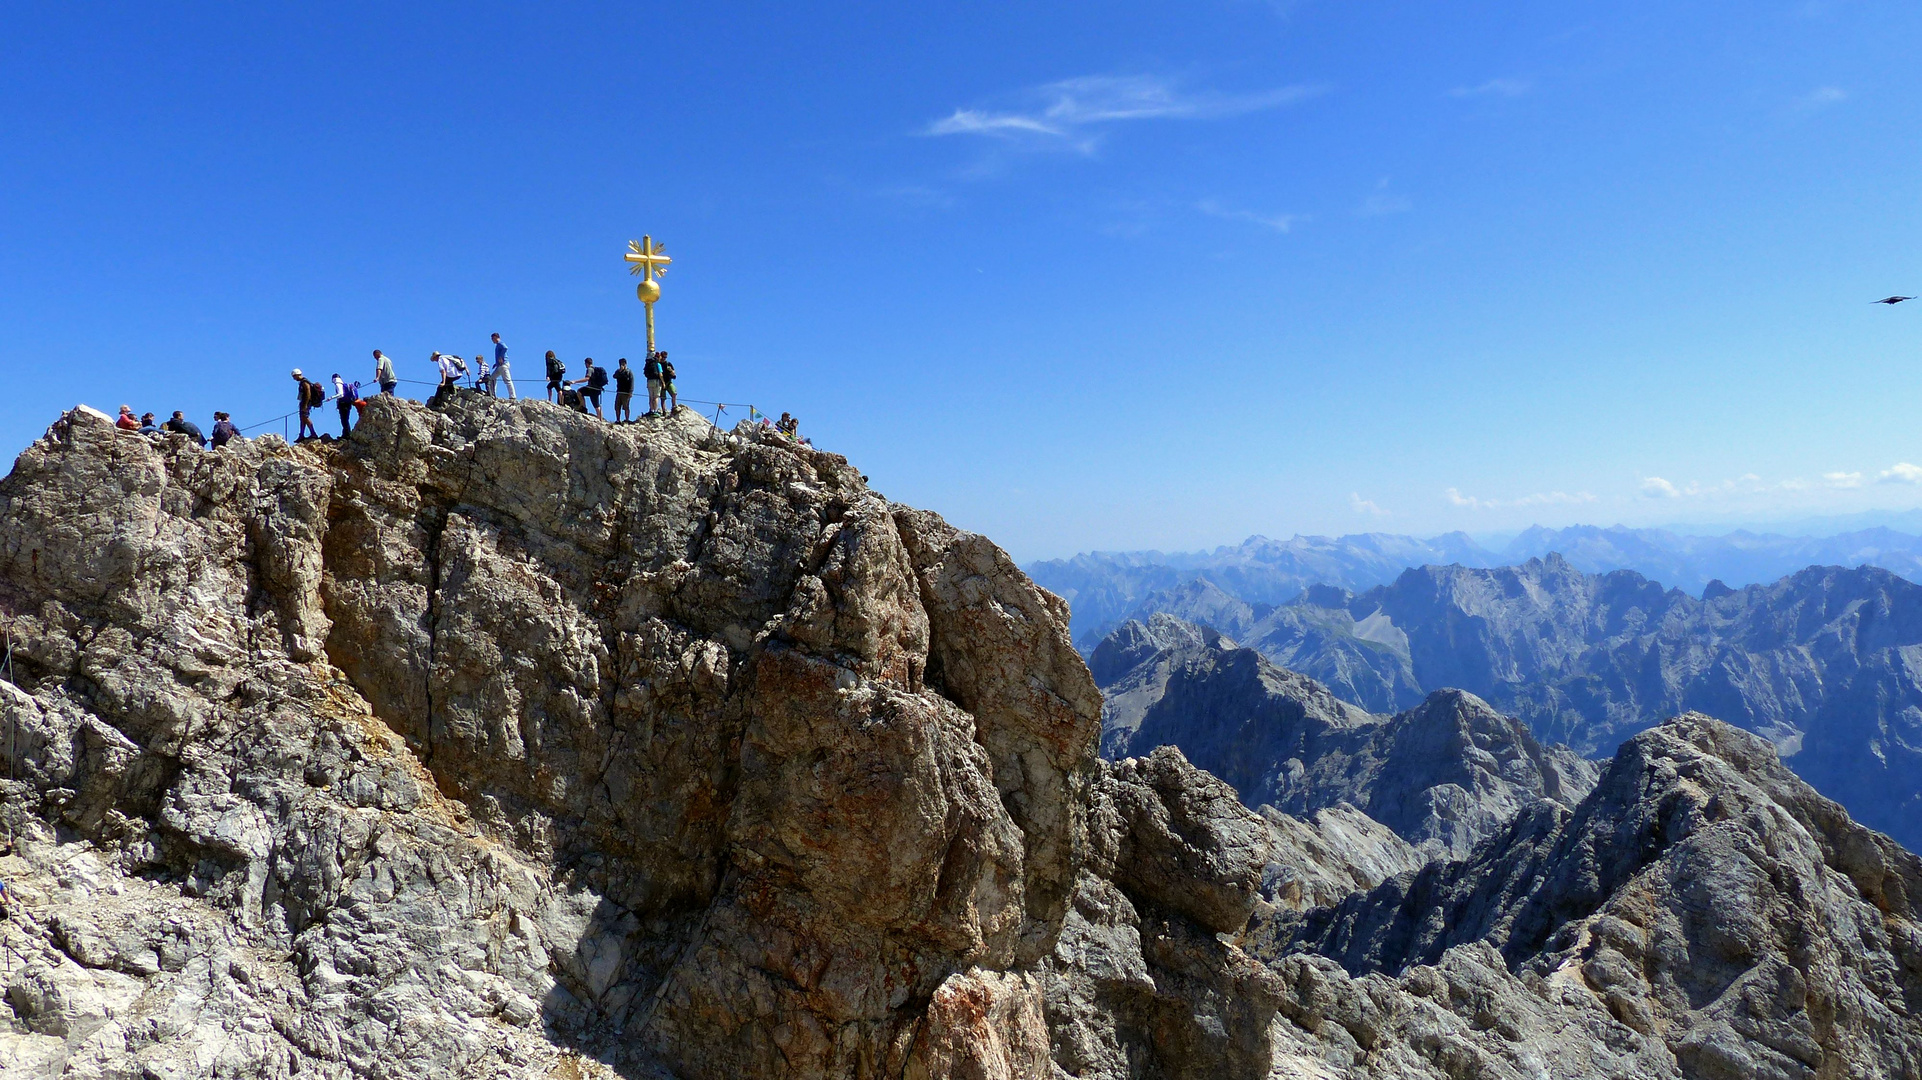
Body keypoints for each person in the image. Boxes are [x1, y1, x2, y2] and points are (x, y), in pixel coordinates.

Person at [293, 369, 321, 440]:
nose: (294, 378)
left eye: (294, 376)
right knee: (302, 418)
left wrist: (305, 404)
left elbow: (308, 393)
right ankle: (301, 435)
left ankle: (313, 433)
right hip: (304, 402)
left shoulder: (305, 382)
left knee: (305, 417)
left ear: (297, 375)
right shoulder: (303, 382)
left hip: (306, 403)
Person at [491, 333, 516, 399]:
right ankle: (492, 394)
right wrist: (496, 363)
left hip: (503, 365)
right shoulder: (498, 345)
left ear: (496, 337)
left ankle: (512, 396)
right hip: (499, 366)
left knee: (507, 380)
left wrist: (501, 357)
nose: (492, 340)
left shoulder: (500, 343)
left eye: (493, 338)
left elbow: (505, 348)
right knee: (492, 378)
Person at [613, 358, 635, 422]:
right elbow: (614, 376)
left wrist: (631, 392)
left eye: (623, 363)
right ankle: (618, 420)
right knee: (617, 406)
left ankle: (627, 419)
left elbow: (632, 381)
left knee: (626, 406)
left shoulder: (629, 372)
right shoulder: (618, 371)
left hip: (626, 392)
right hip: (619, 391)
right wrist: (620, 371)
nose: (622, 365)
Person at [643, 351, 664, 416]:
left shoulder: (649, 363)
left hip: (649, 381)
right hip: (656, 381)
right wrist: (663, 382)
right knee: (656, 397)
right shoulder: (658, 364)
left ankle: (651, 410)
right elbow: (660, 374)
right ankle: (655, 410)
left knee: (651, 397)